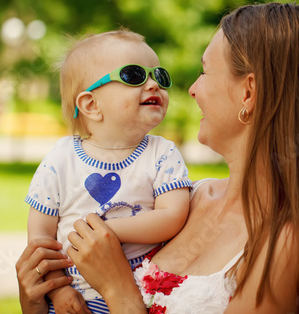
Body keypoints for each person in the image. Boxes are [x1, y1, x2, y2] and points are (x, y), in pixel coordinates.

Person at [17, 2, 299, 314]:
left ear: (248, 92)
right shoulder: (189, 199)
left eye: (205, 71)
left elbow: (120, 288)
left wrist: (117, 290)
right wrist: (34, 301)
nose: (191, 89)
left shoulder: (285, 246)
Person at [24, 30, 192, 314]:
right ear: (91, 105)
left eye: (160, 76)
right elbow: (41, 238)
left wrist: (107, 232)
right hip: (70, 298)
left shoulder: (162, 154)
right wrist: (58, 288)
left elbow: (172, 216)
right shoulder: (60, 159)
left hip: (137, 295)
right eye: (133, 75)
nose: (154, 85)